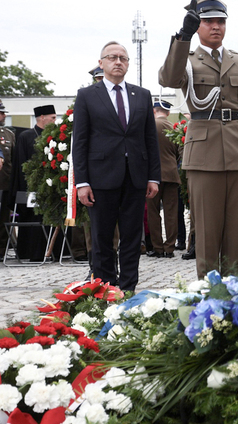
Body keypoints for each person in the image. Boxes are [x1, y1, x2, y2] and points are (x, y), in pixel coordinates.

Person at [158, 0, 238, 277]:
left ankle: (233, 293)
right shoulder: (187, 59)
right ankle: (208, 294)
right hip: (203, 155)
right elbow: (168, 78)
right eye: (208, 21)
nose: (216, 26)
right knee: (206, 232)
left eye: (220, 21)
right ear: (198, 26)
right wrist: (182, 37)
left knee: (236, 233)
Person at [73, 42, 161, 292]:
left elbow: (149, 140)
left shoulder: (141, 95)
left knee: (132, 237)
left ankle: (128, 288)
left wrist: (153, 176)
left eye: (123, 58)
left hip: (135, 177)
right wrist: (82, 182)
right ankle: (105, 289)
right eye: (112, 57)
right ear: (101, 63)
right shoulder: (87, 95)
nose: (118, 62)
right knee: (101, 238)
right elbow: (80, 141)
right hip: (101, 178)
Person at [12, 104, 57, 261]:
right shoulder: (26, 136)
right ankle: (31, 253)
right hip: (31, 188)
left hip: (51, 187)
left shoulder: (55, 136)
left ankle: (53, 252)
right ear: (42, 117)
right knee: (32, 220)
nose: (55, 120)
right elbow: (20, 165)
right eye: (53, 117)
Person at [147, 100, 180, 258]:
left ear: (154, 111)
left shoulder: (148, 126)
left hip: (152, 176)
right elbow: (181, 151)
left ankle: (157, 247)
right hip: (172, 174)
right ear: (167, 112)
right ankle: (170, 248)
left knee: (153, 213)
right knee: (171, 213)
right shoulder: (176, 128)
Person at [0, 100, 15, 255]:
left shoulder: (8, 134)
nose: (4, 116)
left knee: (4, 219)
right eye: (1, 112)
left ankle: (2, 250)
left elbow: (13, 160)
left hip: (4, 184)